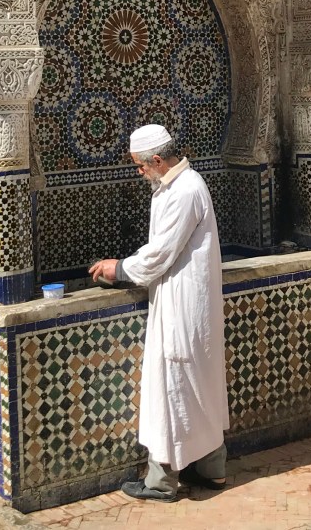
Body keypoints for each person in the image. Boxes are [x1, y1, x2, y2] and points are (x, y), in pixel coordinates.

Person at [89, 124, 230, 503]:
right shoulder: (178, 186)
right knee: (200, 385)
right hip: (189, 305)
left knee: (173, 388)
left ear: (156, 160)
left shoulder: (185, 191)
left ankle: (161, 482)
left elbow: (160, 253)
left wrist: (117, 269)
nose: (139, 173)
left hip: (182, 308)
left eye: (140, 166)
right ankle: (212, 469)